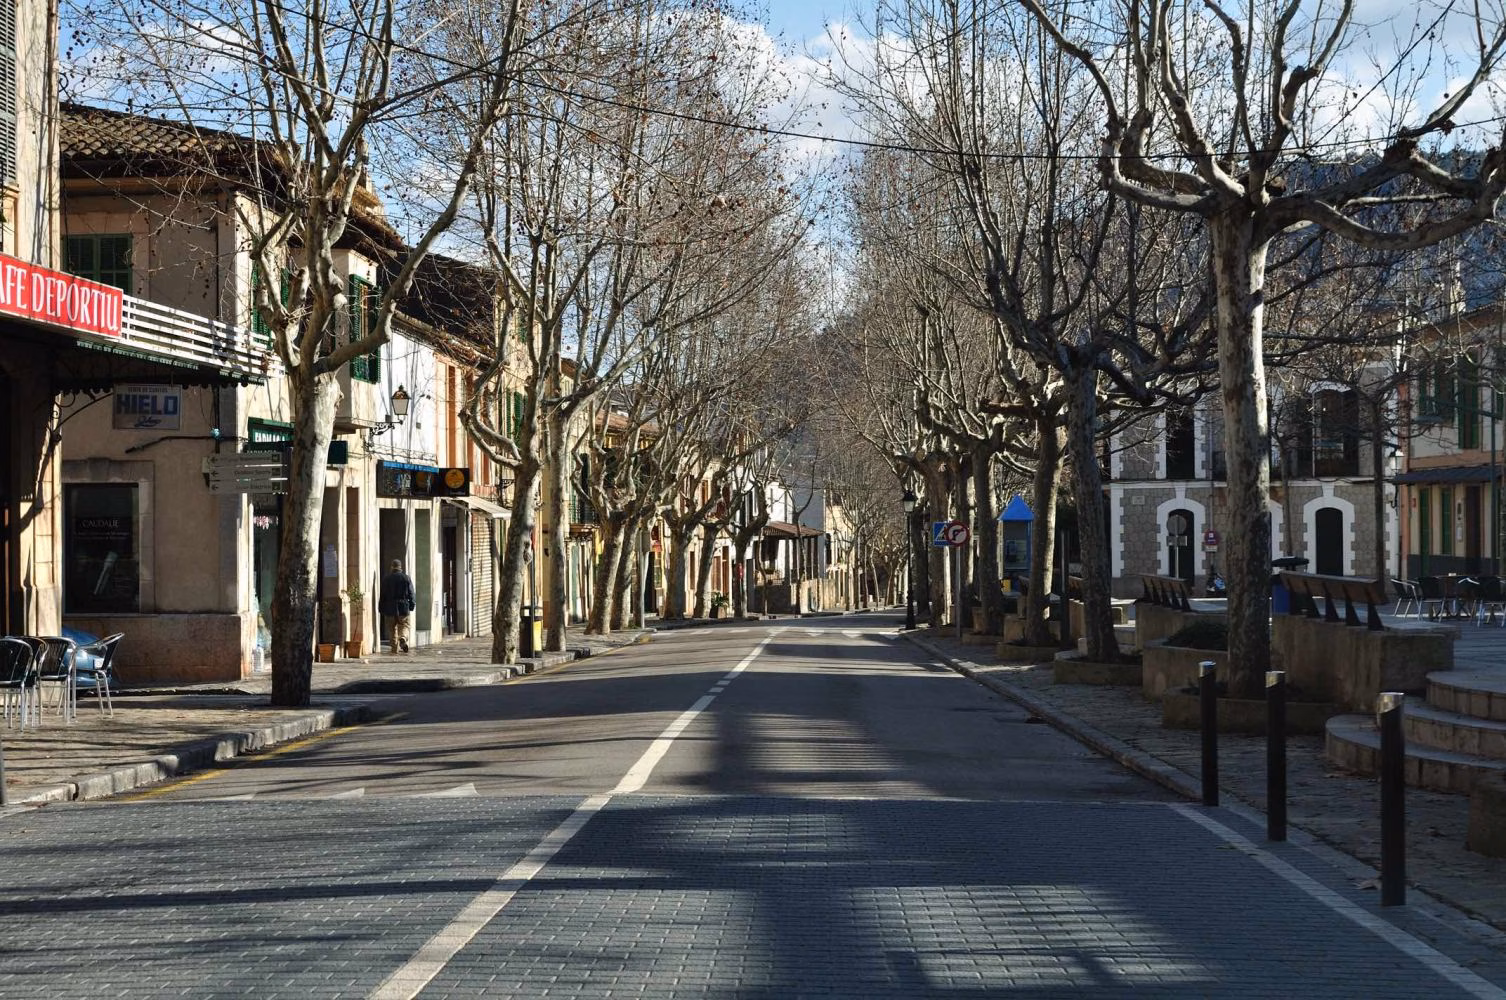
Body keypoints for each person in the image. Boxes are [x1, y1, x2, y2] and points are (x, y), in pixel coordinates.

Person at [378, 559, 415, 653]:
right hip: (403, 606)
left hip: (390, 607)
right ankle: (403, 637)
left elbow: (382, 595)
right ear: (400, 567)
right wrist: (412, 604)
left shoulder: (386, 579)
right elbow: (411, 593)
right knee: (404, 625)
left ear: (392, 567)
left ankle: (394, 648)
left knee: (392, 628)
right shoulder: (406, 578)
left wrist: (381, 607)